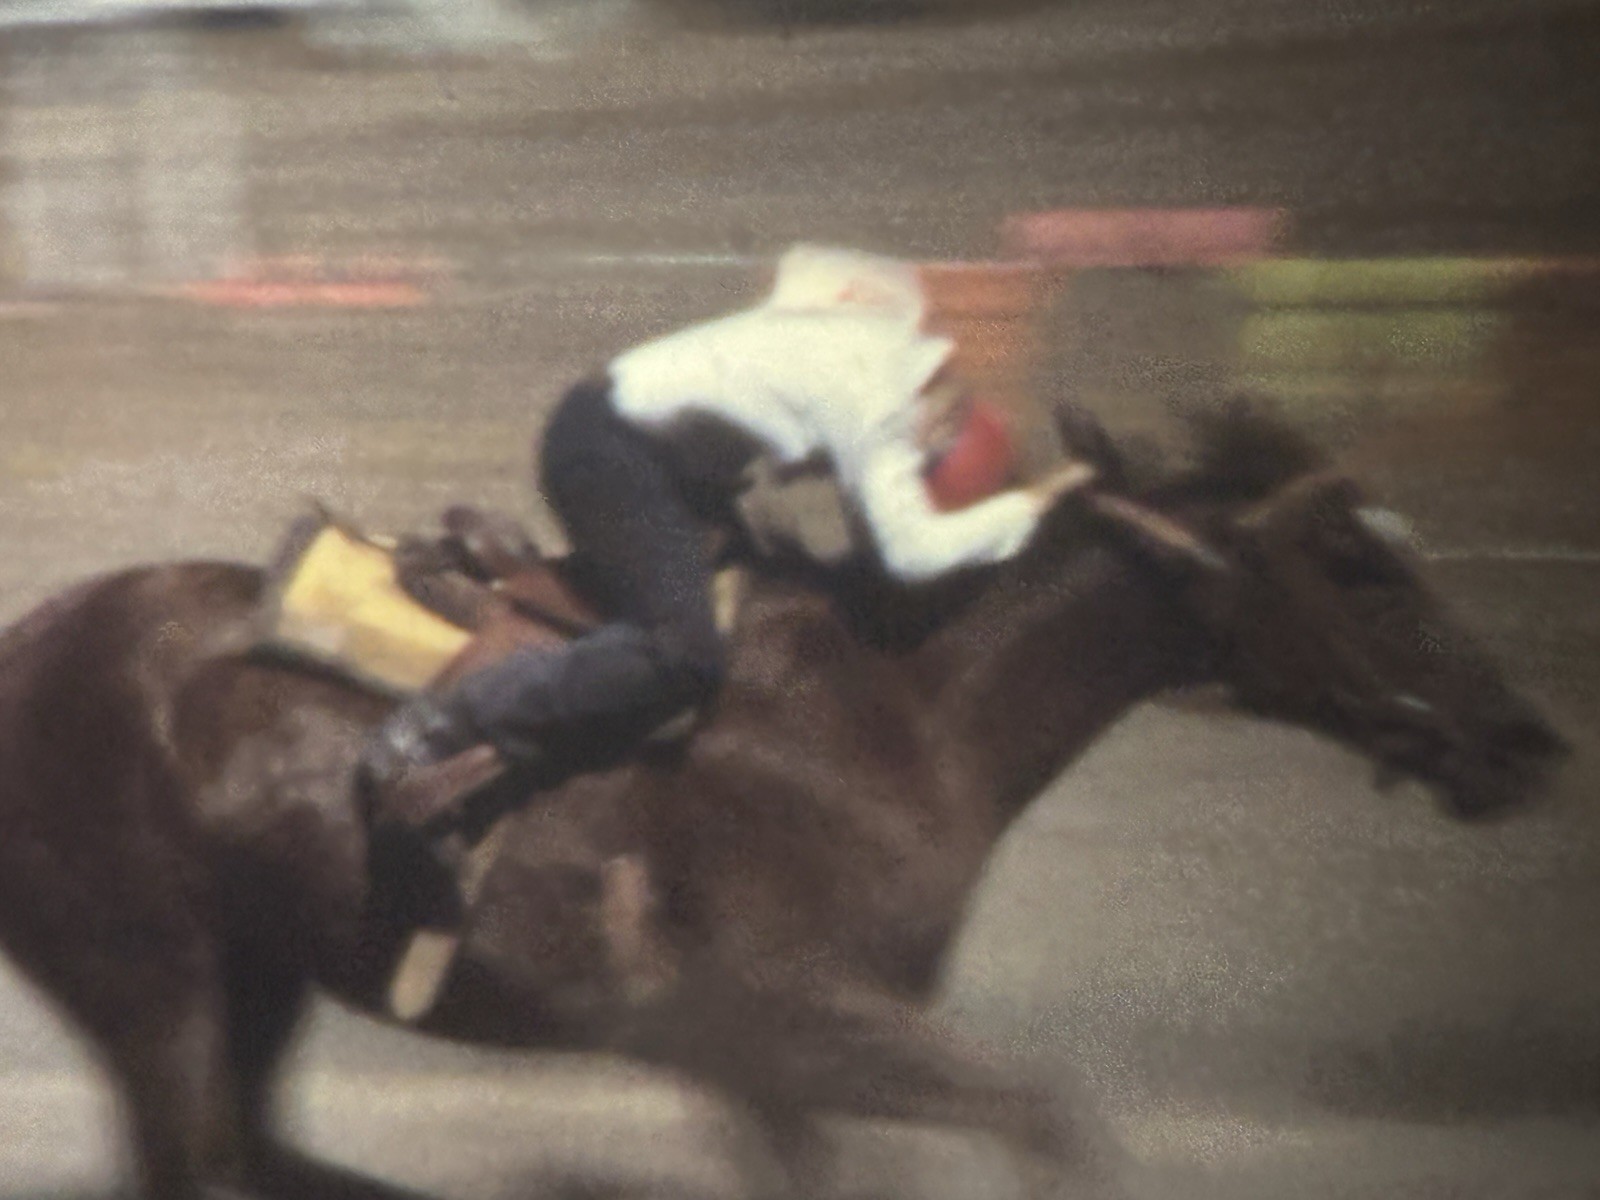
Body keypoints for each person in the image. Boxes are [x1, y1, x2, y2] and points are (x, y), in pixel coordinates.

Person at [362, 245, 1092, 819]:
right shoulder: (875, 399)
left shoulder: (886, 334)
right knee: (683, 652)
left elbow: (807, 264)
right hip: (610, 451)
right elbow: (907, 551)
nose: (903, 462)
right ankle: (443, 721)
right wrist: (1026, 511)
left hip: (652, 446)